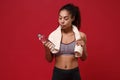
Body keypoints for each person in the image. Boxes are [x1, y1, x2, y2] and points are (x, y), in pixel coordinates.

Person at [44, 3, 87, 80]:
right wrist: (46, 48)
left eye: (66, 18)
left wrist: (83, 46)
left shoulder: (81, 36)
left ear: (73, 18)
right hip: (58, 73)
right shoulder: (53, 36)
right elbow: (49, 60)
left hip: (74, 73)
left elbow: (84, 58)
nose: (62, 21)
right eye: (60, 18)